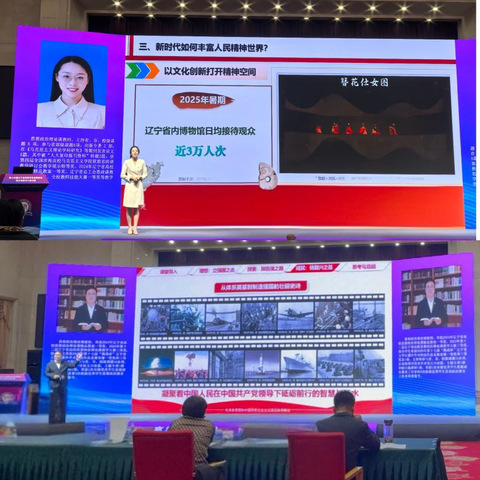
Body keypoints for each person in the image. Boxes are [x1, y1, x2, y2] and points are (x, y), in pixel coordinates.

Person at [316, 390, 380, 472]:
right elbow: (375, 446)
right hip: (349, 475)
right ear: (352, 408)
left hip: (325, 474)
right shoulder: (359, 425)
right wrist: (359, 421)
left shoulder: (320, 425)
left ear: (334, 409)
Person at [37, 55, 105, 129]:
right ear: (56, 77)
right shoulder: (39, 111)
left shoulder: (103, 113)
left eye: (80, 77)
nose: (73, 83)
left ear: (88, 79)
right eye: (66, 76)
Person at [170, 395, 220, 480]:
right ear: (203, 411)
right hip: (200, 472)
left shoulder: (176, 424)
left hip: (176, 470)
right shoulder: (209, 425)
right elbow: (208, 442)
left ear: (183, 409)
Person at [44, 350, 82, 423]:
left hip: (63, 386)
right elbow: (46, 373)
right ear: (54, 356)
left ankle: (62, 420)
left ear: (61, 356)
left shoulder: (65, 363)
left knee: (62, 403)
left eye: (59, 355)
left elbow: (73, 365)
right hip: (53, 386)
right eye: (56, 355)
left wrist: (77, 359)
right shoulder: (50, 364)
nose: (57, 356)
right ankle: (52, 420)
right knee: (53, 403)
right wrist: (53, 376)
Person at [121, 146, 148, 235]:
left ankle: (135, 227)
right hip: (130, 185)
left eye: (136, 151)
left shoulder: (142, 162)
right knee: (129, 207)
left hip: (138, 185)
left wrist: (140, 177)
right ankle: (129, 227)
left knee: (136, 208)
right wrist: (131, 177)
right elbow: (122, 175)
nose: (135, 152)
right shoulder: (127, 162)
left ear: (138, 152)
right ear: (130, 153)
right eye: (133, 151)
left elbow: (145, 173)